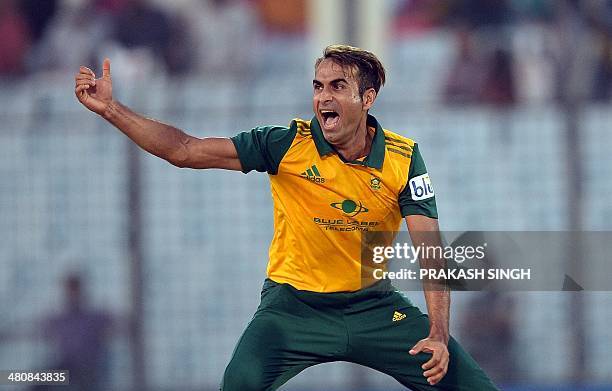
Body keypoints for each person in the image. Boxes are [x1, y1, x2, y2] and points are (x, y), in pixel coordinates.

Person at [74, 45, 499, 390]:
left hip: (374, 307)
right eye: (317, 86)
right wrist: (113, 110)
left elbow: (431, 251)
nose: (323, 97)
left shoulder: (404, 158)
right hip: (292, 308)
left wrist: (439, 334)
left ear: (367, 98)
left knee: (470, 384)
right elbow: (184, 150)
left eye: (337, 86)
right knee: (237, 384)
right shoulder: (284, 145)